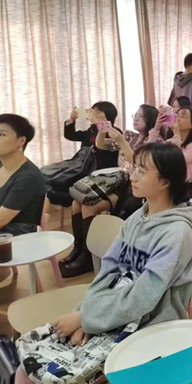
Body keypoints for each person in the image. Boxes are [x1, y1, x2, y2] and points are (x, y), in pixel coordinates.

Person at [14, 143, 192, 384]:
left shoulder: (177, 234)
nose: (132, 176)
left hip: (150, 325)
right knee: (24, 374)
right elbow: (108, 271)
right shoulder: (138, 217)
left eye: (141, 171)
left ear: (164, 182)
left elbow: (143, 298)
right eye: (134, 168)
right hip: (110, 315)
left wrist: (86, 319)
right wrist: (83, 314)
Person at [62, 105, 161, 277]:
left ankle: (87, 255)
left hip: (132, 188)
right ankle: (78, 249)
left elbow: (138, 162)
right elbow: (100, 145)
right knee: (76, 202)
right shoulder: (130, 135)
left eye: (141, 116)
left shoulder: (154, 141)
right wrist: (101, 130)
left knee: (89, 206)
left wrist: (121, 142)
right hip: (118, 181)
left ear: (150, 119)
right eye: (136, 115)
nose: (136, 118)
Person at [0, 115, 47, 273]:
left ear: (21, 141)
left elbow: (0, 220)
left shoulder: (28, 177)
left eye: (2, 134)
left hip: (15, 237)